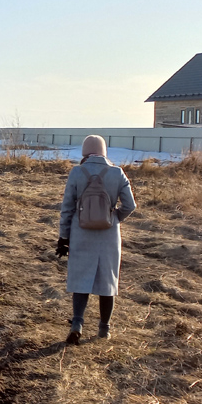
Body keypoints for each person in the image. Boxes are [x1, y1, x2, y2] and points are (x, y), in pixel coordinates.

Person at [57, 135, 136, 344]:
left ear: (85, 152)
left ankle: (77, 324)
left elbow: (67, 208)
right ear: (104, 151)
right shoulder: (117, 173)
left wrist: (63, 237)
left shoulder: (76, 172)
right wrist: (114, 217)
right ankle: (104, 329)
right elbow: (130, 206)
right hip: (109, 235)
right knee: (107, 281)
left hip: (80, 232)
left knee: (80, 280)